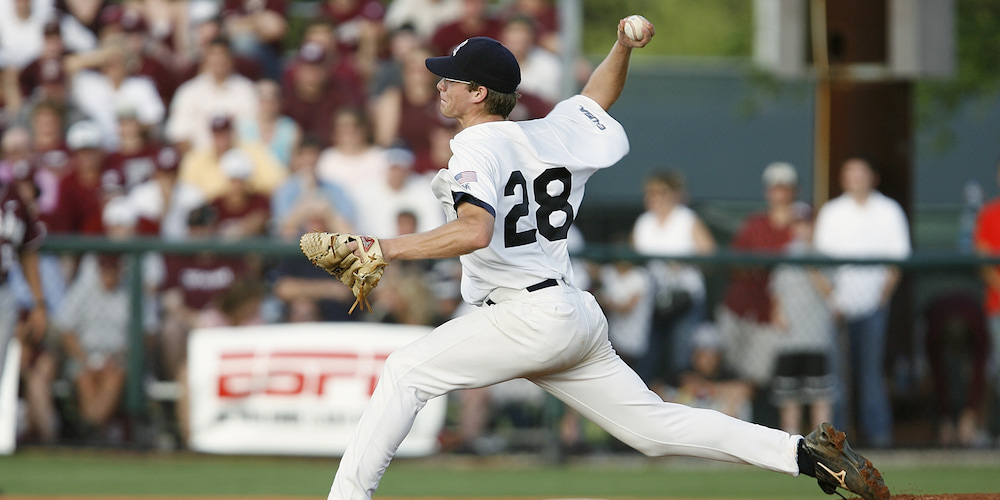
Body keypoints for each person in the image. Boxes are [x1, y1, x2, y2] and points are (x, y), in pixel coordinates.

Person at [315, 23, 889, 500]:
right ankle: (804, 453)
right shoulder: (553, 133)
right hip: (568, 314)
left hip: (524, 316)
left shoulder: (474, 146)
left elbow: (475, 228)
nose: (440, 85)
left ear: (479, 94)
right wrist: (622, 48)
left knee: (403, 372)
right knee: (653, 428)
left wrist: (382, 248)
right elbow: (597, 97)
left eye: (452, 80)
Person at [813, 157, 910, 448]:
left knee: (871, 372)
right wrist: (831, 298)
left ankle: (879, 435)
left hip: (873, 306)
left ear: (873, 177)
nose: (855, 179)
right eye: (849, 173)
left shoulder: (889, 211)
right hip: (836, 307)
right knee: (836, 375)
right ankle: (838, 442)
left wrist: (881, 298)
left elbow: (898, 260)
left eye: (860, 173)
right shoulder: (832, 211)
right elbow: (817, 263)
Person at [717, 162, 799, 391]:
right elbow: (735, 262)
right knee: (730, 366)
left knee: (758, 375)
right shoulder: (755, 224)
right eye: (775, 187)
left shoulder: (802, 225)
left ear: (794, 190)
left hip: (773, 313)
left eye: (784, 187)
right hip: (739, 306)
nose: (779, 193)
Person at [631, 169, 715, 388]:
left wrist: (683, 261)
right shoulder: (644, 222)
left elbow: (710, 254)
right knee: (648, 355)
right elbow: (631, 259)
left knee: (681, 357)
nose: (655, 198)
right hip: (653, 299)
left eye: (661, 192)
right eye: (651, 192)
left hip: (684, 299)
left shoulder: (686, 218)